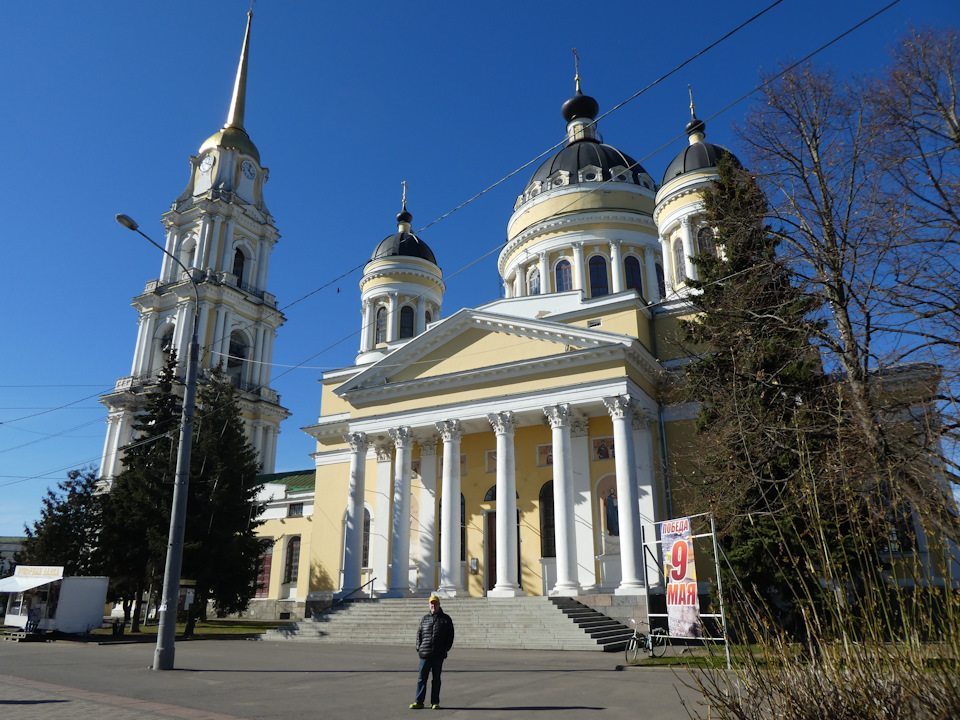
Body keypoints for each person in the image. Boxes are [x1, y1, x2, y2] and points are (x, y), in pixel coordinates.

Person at [411, 595, 455, 710]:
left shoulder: (445, 619)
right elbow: (419, 634)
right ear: (429, 605)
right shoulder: (425, 618)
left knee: (436, 680)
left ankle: (435, 702)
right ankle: (419, 701)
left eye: (435, 603)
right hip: (425, 654)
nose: (433, 605)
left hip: (438, 654)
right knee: (422, 679)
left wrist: (445, 649)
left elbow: (450, 636)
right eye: (431, 603)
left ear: (439, 605)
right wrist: (418, 648)